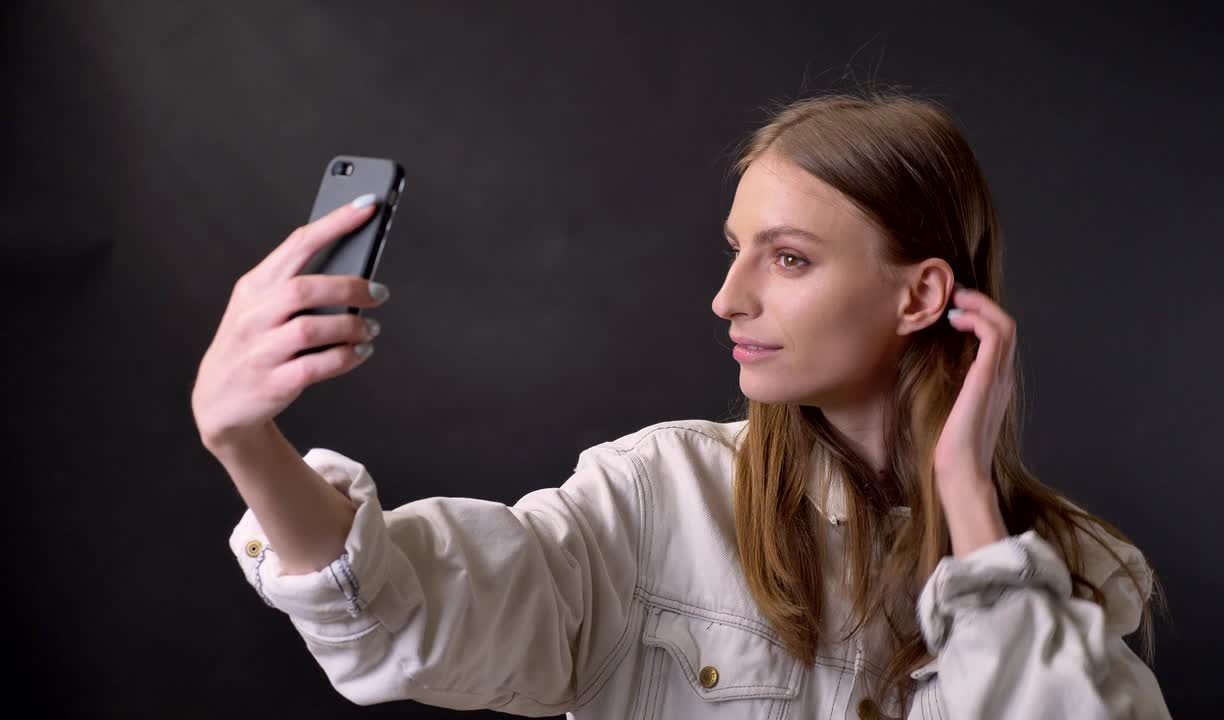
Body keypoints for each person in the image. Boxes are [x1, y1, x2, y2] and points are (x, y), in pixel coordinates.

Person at [192, 91, 1173, 719]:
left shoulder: (1069, 574)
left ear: (918, 296)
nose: (727, 298)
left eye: (788, 259)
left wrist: (967, 506)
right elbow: (407, 609)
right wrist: (246, 443)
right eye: (737, 250)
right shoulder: (655, 495)